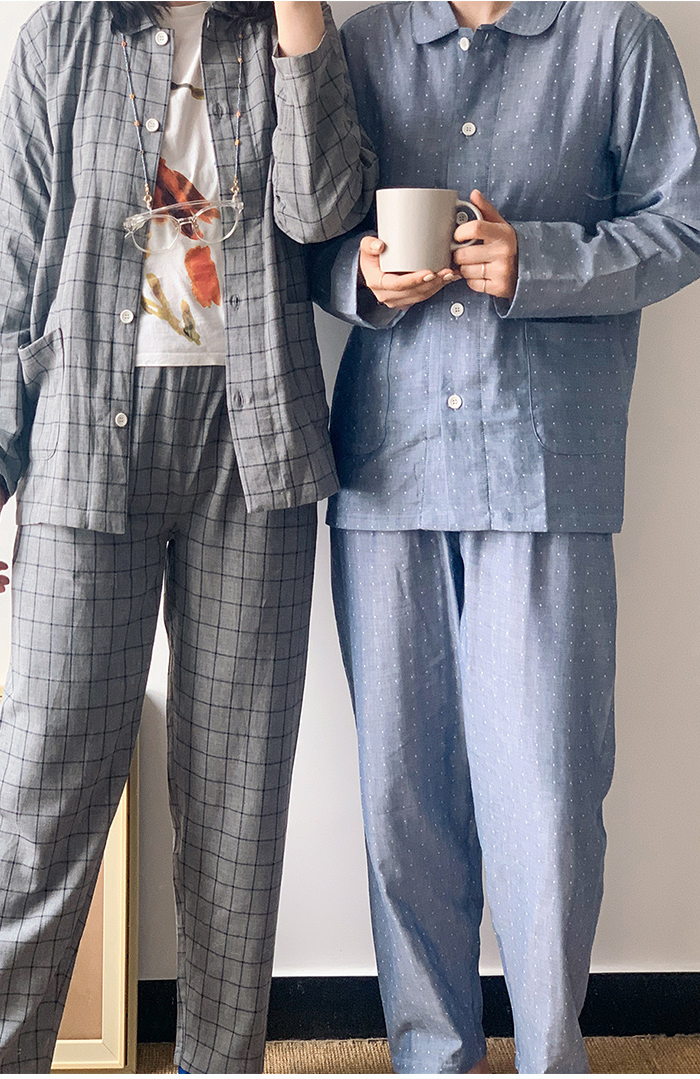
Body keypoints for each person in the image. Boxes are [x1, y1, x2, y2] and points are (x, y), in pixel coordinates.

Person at [0, 1, 376, 1072]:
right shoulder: (65, 35)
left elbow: (324, 208)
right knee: (45, 785)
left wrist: (302, 24)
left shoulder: (281, 33)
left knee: (238, 804)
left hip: (258, 441)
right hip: (85, 439)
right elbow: (9, 252)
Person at [310, 1, 700, 1073]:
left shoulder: (615, 40)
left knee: (549, 798)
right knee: (403, 800)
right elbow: (303, 230)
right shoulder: (364, 47)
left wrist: (540, 259)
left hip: (543, 466)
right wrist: (357, 277)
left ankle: (548, 1054)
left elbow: (685, 223)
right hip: (386, 468)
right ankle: (432, 1053)